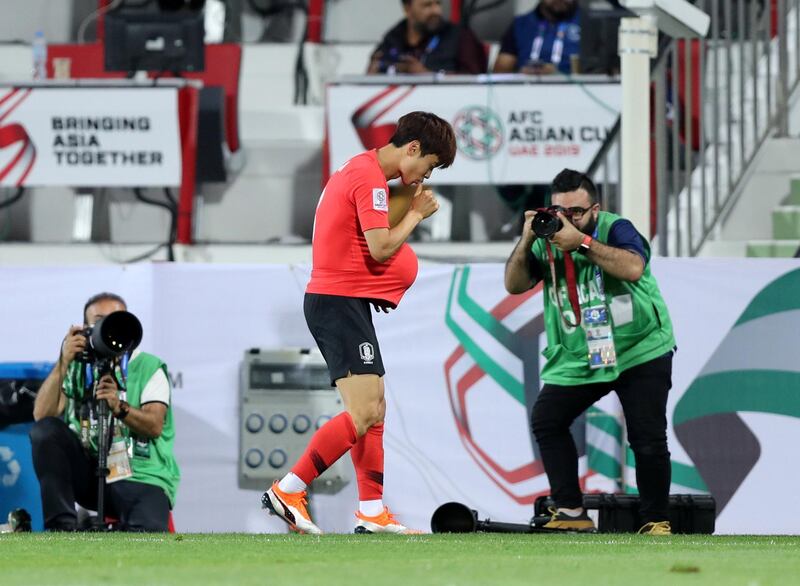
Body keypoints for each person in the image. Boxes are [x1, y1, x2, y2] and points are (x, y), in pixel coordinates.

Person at [262, 111, 456, 534]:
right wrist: (417, 214)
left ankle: (371, 510)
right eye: (431, 164)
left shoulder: (366, 171)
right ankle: (289, 489)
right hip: (337, 304)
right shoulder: (368, 178)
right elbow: (381, 245)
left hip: (346, 300)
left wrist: (374, 287)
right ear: (413, 149)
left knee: (376, 407)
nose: (428, 174)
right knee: (365, 410)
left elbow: (354, 244)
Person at [503, 169, 676, 535]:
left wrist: (580, 241)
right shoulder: (544, 236)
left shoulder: (616, 229)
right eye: (559, 211)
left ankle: (655, 521)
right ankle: (570, 513)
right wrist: (525, 240)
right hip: (581, 355)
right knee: (548, 420)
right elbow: (514, 284)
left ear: (595, 208)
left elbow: (632, 268)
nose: (566, 219)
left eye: (577, 212)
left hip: (639, 347)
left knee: (647, 436)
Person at [30, 293, 179, 532]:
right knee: (45, 431)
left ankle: (109, 530)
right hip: (88, 472)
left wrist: (119, 407)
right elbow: (42, 416)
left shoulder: (148, 366)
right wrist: (63, 360)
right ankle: (61, 527)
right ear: (85, 329)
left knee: (148, 533)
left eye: (116, 320)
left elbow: (154, 426)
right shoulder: (76, 363)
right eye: (99, 322)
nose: (108, 328)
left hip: (139, 473)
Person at [368, 0, 487, 75]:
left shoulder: (461, 35)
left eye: (438, 3)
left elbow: (474, 82)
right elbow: (371, 75)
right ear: (407, 9)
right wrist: (372, 74)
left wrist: (425, 75)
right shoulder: (393, 38)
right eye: (427, 5)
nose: (436, 11)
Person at [493, 0, 581, 75]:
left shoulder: (589, 23)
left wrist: (559, 75)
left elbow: (593, 71)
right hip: (527, 88)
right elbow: (501, 69)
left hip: (577, 90)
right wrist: (521, 74)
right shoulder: (521, 24)